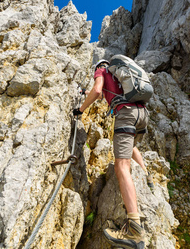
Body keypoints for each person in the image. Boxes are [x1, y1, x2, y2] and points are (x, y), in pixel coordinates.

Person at [73, 59, 152, 249]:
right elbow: (101, 95)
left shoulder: (101, 71)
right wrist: (85, 94)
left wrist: (80, 110)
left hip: (125, 113)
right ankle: (146, 173)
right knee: (130, 145)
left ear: (99, 67)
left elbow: (98, 90)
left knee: (121, 166)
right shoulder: (121, 76)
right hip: (142, 114)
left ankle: (135, 230)